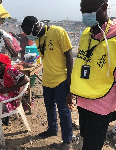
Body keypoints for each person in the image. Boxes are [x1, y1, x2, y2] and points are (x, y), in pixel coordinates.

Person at [66, 0, 116, 149]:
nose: (85, 15)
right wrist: (71, 91)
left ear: (105, 7)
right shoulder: (86, 34)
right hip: (82, 100)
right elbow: (81, 65)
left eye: (89, 11)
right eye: (83, 12)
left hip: (101, 105)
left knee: (92, 146)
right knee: (86, 137)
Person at [21, 16, 73, 150]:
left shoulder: (58, 32)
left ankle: (67, 140)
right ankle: (52, 129)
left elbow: (69, 55)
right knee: (49, 107)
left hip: (61, 79)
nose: (28, 36)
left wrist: (69, 78)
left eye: (28, 32)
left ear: (36, 26)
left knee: (63, 110)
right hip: (47, 79)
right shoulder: (38, 38)